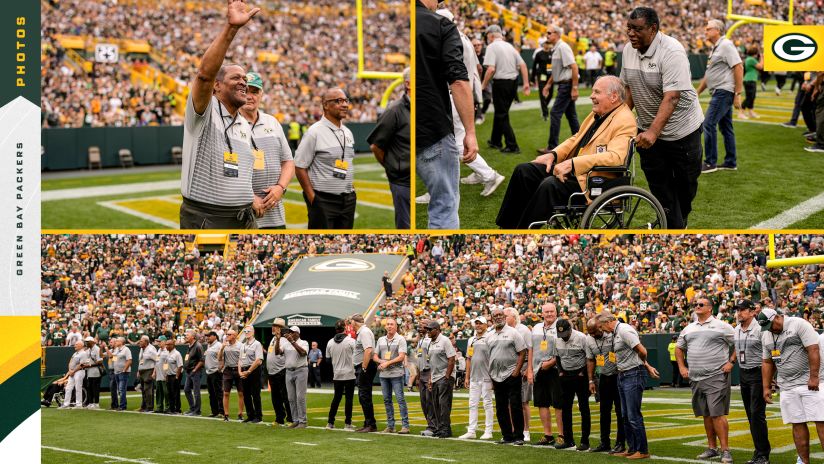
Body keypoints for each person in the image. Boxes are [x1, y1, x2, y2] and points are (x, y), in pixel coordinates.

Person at [496, 75, 636, 229]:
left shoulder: (625, 119)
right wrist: (553, 154)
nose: (591, 96)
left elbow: (616, 158)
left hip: (593, 181)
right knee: (524, 171)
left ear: (614, 96)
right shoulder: (598, 113)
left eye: (596, 92)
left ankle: (522, 233)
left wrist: (572, 164)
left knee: (549, 185)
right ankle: (506, 227)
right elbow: (577, 138)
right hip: (576, 172)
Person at [179, 0, 260, 229]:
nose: (243, 83)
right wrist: (232, 28)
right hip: (207, 218)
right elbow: (204, 74)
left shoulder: (244, 123)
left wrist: (249, 196)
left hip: (244, 218)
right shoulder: (204, 113)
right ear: (217, 87)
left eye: (245, 79)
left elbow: (240, 174)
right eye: (236, 78)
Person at [620, 6, 704, 229]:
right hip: (647, 128)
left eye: (637, 29)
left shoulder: (672, 51)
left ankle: (677, 219)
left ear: (653, 29)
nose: (631, 34)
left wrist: (653, 132)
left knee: (686, 186)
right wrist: (618, 121)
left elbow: (672, 97)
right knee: (660, 186)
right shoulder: (628, 49)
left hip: (682, 132)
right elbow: (628, 90)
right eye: (629, 28)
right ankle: (674, 226)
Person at [415, 0, 478, 229]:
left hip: (401, 126)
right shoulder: (440, 25)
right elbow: (459, 81)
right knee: (444, 205)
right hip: (431, 126)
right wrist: (470, 132)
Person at [759, 308, 824, 464]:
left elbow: (813, 349)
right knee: (796, 423)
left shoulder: (798, 324)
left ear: (777, 317)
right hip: (787, 386)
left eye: (770, 326)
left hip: (810, 383)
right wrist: (766, 387)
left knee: (821, 421)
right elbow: (767, 362)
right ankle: (803, 461)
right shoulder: (766, 334)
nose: (770, 330)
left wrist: (814, 377)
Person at [675, 297, 735, 463]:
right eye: (695, 304)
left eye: (701, 304)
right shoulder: (689, 328)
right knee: (706, 414)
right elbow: (679, 348)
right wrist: (681, 367)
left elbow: (738, 343)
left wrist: (731, 362)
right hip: (695, 377)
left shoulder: (722, 326)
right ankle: (712, 448)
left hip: (716, 375)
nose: (697, 306)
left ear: (710, 308)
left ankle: (725, 450)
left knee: (717, 414)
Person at [596, 311, 659, 459]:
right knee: (625, 415)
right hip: (623, 374)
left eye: (601, 326)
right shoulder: (616, 332)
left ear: (607, 322)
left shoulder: (624, 330)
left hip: (633, 373)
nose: (601, 330)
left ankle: (642, 450)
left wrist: (642, 366)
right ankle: (632, 448)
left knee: (633, 414)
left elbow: (642, 351)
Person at [294, 88, 356, 229]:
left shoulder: (347, 132)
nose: (345, 104)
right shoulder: (314, 132)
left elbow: (348, 162)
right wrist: (313, 198)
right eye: (338, 101)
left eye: (346, 100)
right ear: (325, 105)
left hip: (348, 199)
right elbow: (299, 166)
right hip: (323, 200)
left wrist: (351, 189)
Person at [239, 71, 295, 229]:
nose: (250, 96)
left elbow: (288, 161)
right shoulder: (231, 124)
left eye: (254, 91)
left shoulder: (272, 122)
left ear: (261, 94)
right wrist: (249, 197)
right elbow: (224, 171)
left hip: (275, 213)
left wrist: (280, 188)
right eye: (245, 91)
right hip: (244, 214)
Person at [696, 20, 743, 173]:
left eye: (708, 29)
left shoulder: (726, 45)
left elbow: (738, 66)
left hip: (724, 91)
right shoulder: (716, 48)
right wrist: (698, 91)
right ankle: (730, 161)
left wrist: (738, 94)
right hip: (719, 91)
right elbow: (709, 74)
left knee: (708, 124)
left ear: (717, 30)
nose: (705, 31)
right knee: (726, 127)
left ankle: (710, 163)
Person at [367, 67, 411, 229]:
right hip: (402, 180)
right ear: (408, 84)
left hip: (420, 177)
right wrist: (393, 167)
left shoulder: (423, 106)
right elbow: (376, 146)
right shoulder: (394, 110)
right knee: (406, 226)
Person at [482, 25, 530, 153]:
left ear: (491, 35)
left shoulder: (492, 46)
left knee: (501, 114)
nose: (487, 39)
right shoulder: (509, 46)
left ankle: (512, 145)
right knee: (501, 112)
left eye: (487, 36)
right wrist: (526, 83)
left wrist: (483, 85)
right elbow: (523, 65)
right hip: (512, 84)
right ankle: (495, 141)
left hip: (501, 83)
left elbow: (491, 69)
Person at [733, 300, 770, 464]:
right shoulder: (736, 329)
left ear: (752, 311)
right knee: (750, 414)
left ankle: (763, 454)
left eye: (742, 309)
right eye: (738, 310)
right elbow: (737, 350)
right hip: (743, 373)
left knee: (757, 414)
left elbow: (768, 354)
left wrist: (769, 380)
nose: (739, 312)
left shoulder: (760, 329)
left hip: (758, 373)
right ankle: (758, 452)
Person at [487, 307, 528, 445]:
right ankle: (507, 436)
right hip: (496, 376)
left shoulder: (513, 333)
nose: (498, 317)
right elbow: (489, 357)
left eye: (500, 314)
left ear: (504, 317)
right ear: (492, 318)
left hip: (511, 373)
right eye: (495, 315)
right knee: (500, 407)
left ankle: (518, 437)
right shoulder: (490, 335)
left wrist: (517, 371)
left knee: (516, 406)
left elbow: (523, 352)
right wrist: (491, 375)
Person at [585, 318, 625, 454]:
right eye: (590, 333)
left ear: (601, 327)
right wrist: (591, 380)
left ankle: (620, 442)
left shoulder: (613, 333)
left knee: (620, 412)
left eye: (594, 332)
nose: (593, 335)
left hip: (618, 376)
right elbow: (590, 360)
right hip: (603, 378)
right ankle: (604, 442)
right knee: (604, 412)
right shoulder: (589, 339)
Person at [540, 25, 580, 153]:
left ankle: (552, 147)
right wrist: (548, 85)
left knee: (555, 113)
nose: (547, 35)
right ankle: (581, 142)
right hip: (563, 84)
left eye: (549, 33)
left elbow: (574, 67)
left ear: (557, 34)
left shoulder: (562, 47)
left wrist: (574, 87)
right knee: (571, 115)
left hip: (567, 85)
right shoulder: (556, 48)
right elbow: (556, 71)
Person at [527, 303, 562, 446]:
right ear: (542, 313)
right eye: (546, 312)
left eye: (552, 311)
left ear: (556, 312)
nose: (549, 314)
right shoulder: (536, 328)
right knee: (542, 403)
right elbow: (531, 350)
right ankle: (548, 435)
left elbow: (566, 349)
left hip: (555, 370)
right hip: (538, 370)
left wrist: (552, 362)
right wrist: (529, 369)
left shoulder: (561, 326)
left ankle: (562, 434)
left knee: (558, 403)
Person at [554, 319, 591, 451]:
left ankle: (585, 441)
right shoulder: (557, 339)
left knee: (584, 408)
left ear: (570, 329)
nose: (563, 338)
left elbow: (589, 357)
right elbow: (557, 357)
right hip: (565, 376)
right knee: (565, 409)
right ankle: (568, 440)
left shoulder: (581, 338)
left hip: (580, 375)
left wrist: (582, 372)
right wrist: (560, 371)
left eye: (565, 335)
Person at [459, 316, 494, 440]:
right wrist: (467, 376)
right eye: (476, 324)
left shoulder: (490, 337)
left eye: (480, 324)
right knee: (472, 404)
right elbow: (469, 358)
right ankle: (471, 430)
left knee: (487, 403)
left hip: (486, 376)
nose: (478, 326)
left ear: (486, 325)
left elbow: (493, 358)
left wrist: (492, 376)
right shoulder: (471, 340)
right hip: (474, 376)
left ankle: (488, 430)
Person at [373, 318, 410, 434]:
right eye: (388, 324)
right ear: (385, 327)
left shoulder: (400, 339)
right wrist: (380, 362)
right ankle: (390, 426)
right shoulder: (380, 340)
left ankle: (405, 426)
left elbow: (401, 356)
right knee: (387, 400)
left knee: (400, 399)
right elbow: (374, 356)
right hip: (384, 375)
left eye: (392, 324)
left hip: (396, 373)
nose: (389, 326)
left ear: (396, 327)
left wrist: (386, 363)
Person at [506, 307, 534, 442]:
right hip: (510, 367)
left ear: (513, 317)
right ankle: (513, 429)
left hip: (523, 366)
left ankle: (526, 430)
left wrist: (529, 369)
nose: (503, 319)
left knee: (523, 402)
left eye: (506, 316)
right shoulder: (504, 330)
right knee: (511, 402)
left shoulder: (523, 330)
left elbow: (530, 349)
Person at [426, 320, 456, 438]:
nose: (427, 331)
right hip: (434, 377)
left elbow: (452, 359)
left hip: (444, 377)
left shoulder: (445, 340)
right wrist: (430, 379)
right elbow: (431, 363)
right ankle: (440, 428)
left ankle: (446, 429)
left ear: (437, 330)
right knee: (436, 404)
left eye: (430, 329)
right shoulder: (431, 343)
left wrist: (447, 376)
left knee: (444, 404)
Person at [326, 319, 357, 430]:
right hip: (349, 374)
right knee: (349, 400)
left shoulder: (330, 342)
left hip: (337, 374)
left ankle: (330, 422)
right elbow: (357, 356)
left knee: (336, 398)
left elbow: (328, 360)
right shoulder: (351, 341)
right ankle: (347, 423)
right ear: (345, 328)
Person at [352, 314, 378, 432]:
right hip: (364, 366)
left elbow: (368, 350)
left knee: (364, 396)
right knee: (363, 396)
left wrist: (363, 367)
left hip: (365, 366)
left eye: (351, 322)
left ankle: (371, 424)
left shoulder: (364, 332)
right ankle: (368, 422)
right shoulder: (363, 332)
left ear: (354, 322)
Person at [266, 318, 293, 425]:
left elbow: (279, 353)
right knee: (275, 397)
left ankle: (290, 418)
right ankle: (279, 418)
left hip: (281, 371)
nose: (273, 327)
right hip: (272, 372)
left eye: (275, 326)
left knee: (285, 396)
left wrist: (278, 338)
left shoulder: (284, 339)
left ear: (280, 328)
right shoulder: (273, 338)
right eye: (273, 325)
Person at [414, 320, 437, 436]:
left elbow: (432, 359)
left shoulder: (429, 340)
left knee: (430, 401)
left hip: (429, 372)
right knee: (423, 402)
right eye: (419, 325)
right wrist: (417, 377)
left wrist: (431, 376)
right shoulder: (421, 340)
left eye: (423, 324)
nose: (420, 326)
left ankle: (433, 427)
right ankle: (430, 424)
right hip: (422, 373)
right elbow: (419, 359)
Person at [283, 326, 309, 428]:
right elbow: (278, 352)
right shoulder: (286, 343)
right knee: (291, 398)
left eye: (292, 332)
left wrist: (293, 342)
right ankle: (295, 420)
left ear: (297, 333)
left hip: (301, 370)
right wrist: (277, 340)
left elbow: (303, 353)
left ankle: (303, 421)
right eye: (289, 332)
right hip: (289, 371)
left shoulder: (304, 342)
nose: (290, 333)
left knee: (300, 397)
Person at [238, 325, 263, 423]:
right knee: (246, 394)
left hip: (253, 370)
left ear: (253, 332)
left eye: (248, 331)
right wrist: (240, 372)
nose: (246, 332)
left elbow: (258, 360)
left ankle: (258, 416)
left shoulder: (257, 344)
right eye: (245, 331)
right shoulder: (243, 345)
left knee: (255, 394)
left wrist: (249, 371)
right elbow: (240, 359)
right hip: (244, 370)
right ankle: (250, 415)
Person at [218, 329, 245, 421]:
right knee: (225, 393)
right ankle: (226, 414)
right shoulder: (225, 345)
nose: (227, 335)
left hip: (238, 370)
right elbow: (219, 358)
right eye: (226, 334)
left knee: (241, 393)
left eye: (229, 334)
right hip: (228, 370)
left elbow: (243, 359)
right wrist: (222, 348)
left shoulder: (241, 346)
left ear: (235, 335)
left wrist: (240, 370)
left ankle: (240, 414)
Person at [60, 341, 89, 409]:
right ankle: (66, 404)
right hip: (72, 372)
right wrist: (70, 370)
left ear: (81, 345)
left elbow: (82, 364)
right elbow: (70, 362)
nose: (74, 346)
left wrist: (73, 371)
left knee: (78, 388)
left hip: (79, 372)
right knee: (68, 388)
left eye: (76, 344)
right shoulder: (75, 353)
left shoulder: (83, 353)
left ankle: (79, 405)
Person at [183, 330, 204, 416]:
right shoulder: (190, 345)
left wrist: (195, 370)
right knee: (186, 389)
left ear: (193, 337)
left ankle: (197, 411)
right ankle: (192, 408)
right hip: (189, 372)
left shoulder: (198, 346)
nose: (186, 337)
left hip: (195, 372)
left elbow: (202, 360)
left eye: (187, 335)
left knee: (196, 391)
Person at [204, 331, 224, 418]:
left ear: (215, 336)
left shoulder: (219, 345)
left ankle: (221, 411)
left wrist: (220, 368)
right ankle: (214, 411)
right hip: (209, 372)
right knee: (211, 393)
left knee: (218, 393)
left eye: (209, 336)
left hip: (216, 372)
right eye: (206, 336)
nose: (207, 338)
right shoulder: (209, 345)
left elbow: (223, 358)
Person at [533, 38, 554, 121]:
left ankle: (543, 107)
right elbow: (534, 66)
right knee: (542, 94)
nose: (548, 44)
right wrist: (532, 79)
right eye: (546, 43)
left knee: (550, 94)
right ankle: (545, 114)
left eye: (549, 43)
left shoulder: (552, 53)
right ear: (543, 44)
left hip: (550, 76)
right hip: (541, 76)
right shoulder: (538, 53)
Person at [740, 47, 763, 120]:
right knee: (749, 97)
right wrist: (762, 58)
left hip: (750, 80)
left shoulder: (750, 59)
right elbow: (760, 67)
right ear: (755, 53)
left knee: (752, 97)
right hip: (749, 80)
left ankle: (751, 112)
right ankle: (741, 113)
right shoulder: (751, 59)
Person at [137, 335, 157, 413]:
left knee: (147, 389)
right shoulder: (142, 349)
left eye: (141, 341)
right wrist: (138, 370)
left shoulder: (151, 349)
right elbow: (140, 360)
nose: (139, 342)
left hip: (149, 370)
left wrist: (154, 371)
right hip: (142, 370)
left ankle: (150, 407)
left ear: (146, 341)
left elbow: (157, 360)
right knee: (143, 390)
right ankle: (144, 406)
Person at [111, 337, 131, 411]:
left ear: (122, 342)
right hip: (116, 372)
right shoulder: (117, 349)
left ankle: (122, 406)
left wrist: (124, 370)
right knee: (119, 390)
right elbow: (111, 356)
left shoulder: (126, 349)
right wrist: (105, 348)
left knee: (121, 389)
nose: (116, 341)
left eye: (117, 340)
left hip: (123, 373)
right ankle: (122, 405)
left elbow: (129, 360)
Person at [164, 339, 183, 415]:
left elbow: (180, 366)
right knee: (170, 393)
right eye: (166, 344)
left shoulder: (177, 354)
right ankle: (171, 409)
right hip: (169, 375)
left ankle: (177, 409)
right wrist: (165, 374)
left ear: (172, 345)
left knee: (175, 393)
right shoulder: (167, 354)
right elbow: (165, 364)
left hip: (175, 375)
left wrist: (177, 377)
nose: (166, 346)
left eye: (168, 344)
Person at [83, 336, 102, 409]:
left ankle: (96, 403)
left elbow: (100, 361)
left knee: (95, 388)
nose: (86, 343)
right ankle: (91, 403)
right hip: (89, 372)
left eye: (87, 342)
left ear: (92, 342)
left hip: (96, 372)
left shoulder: (97, 349)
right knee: (89, 388)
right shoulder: (88, 350)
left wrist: (89, 365)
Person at [153, 336, 169, 413]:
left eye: (159, 341)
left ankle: (167, 407)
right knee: (159, 392)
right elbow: (156, 363)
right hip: (158, 375)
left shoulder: (167, 351)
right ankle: (159, 407)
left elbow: (167, 364)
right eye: (157, 341)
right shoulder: (158, 350)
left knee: (166, 392)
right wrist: (154, 372)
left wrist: (166, 374)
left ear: (164, 342)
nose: (158, 343)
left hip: (164, 375)